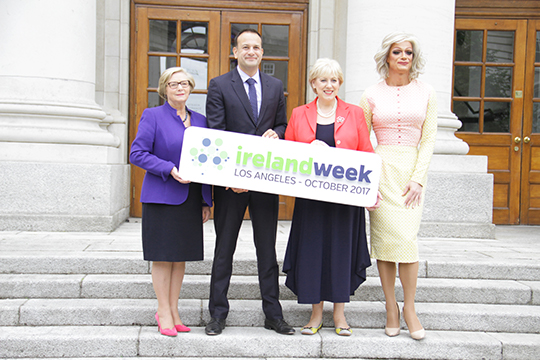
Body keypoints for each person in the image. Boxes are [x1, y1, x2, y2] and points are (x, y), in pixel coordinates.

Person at [204, 28, 293, 335]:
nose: (251, 51)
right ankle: (217, 314)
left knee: (266, 249)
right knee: (224, 248)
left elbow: (282, 123)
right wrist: (232, 177)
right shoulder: (219, 85)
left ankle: (273, 314)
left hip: (265, 182)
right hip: (231, 185)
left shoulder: (275, 85)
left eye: (256, 47)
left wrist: (277, 133)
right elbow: (217, 133)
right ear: (236, 51)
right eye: (245, 47)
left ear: (262, 52)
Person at [283, 58, 379, 337]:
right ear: (313, 83)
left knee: (340, 251)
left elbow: (366, 153)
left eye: (334, 80)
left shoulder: (354, 113)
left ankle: (339, 314)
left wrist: (372, 189)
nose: (329, 85)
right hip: (311, 200)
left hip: (344, 200)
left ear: (340, 84)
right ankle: (315, 314)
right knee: (313, 252)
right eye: (323, 80)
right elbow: (289, 154)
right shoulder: (299, 113)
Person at [359, 32, 437, 340]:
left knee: (407, 240)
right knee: (385, 244)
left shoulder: (427, 92)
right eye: (397, 52)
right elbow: (362, 142)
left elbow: (429, 139)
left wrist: (418, 178)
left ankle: (410, 308)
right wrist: (365, 184)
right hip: (381, 170)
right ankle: (391, 307)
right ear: (387, 57)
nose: (403, 56)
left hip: (411, 172)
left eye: (408, 52)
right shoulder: (370, 94)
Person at [130, 67, 212, 337]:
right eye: (174, 84)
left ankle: (174, 310)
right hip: (162, 197)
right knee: (164, 258)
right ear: (164, 88)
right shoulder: (152, 116)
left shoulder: (200, 120)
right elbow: (137, 153)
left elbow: (207, 162)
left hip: (190, 199)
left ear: (191, 88)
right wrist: (168, 168)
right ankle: (162, 310)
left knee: (180, 258)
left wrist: (206, 200)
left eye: (185, 83)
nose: (180, 88)